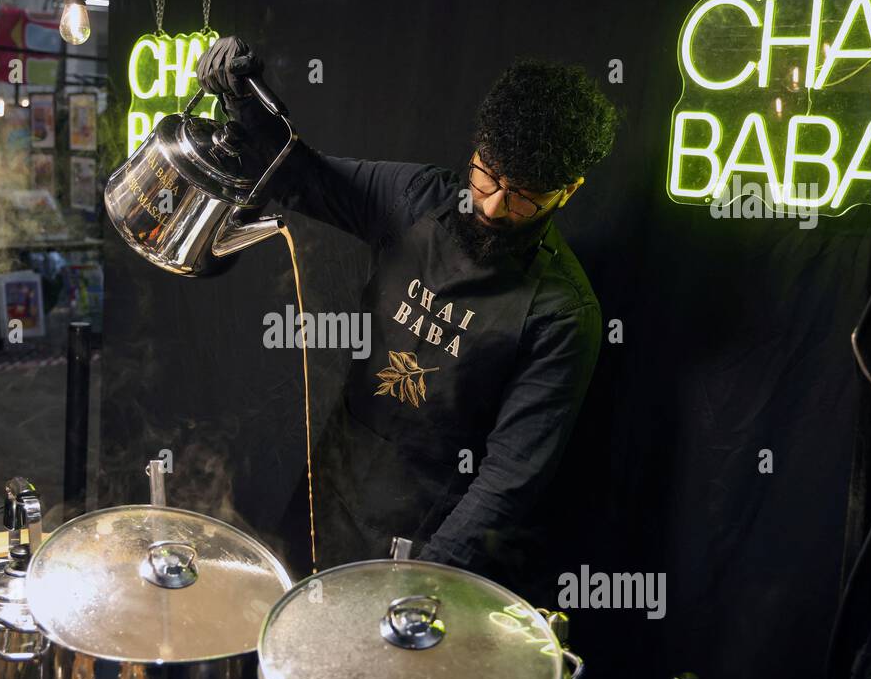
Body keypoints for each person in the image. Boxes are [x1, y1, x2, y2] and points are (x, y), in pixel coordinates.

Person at [198, 37, 618, 592]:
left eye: (523, 197)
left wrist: (426, 577)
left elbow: (510, 478)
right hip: (331, 484)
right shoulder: (416, 199)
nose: (493, 207)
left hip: (427, 531)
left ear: (568, 192)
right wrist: (243, 103)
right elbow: (298, 176)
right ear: (476, 149)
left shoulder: (563, 312)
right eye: (487, 176)